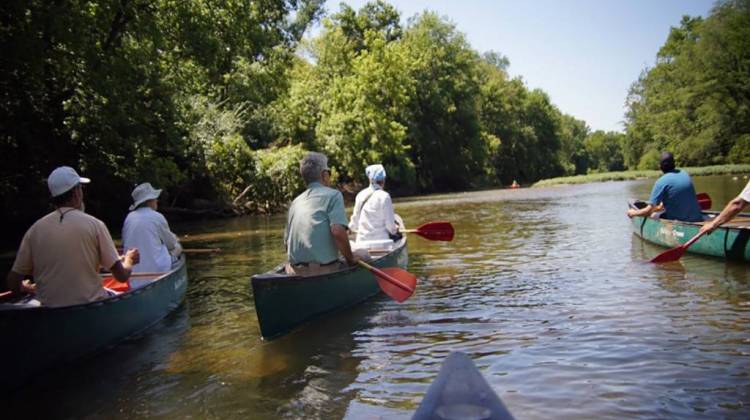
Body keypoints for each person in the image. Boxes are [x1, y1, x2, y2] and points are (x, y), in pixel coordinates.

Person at [5, 166, 139, 307]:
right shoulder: (95, 225)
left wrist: (23, 288)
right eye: (81, 188)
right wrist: (129, 261)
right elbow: (122, 276)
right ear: (76, 193)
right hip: (88, 309)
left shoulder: (34, 230)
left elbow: (13, 282)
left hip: (48, 311)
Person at [284, 152, 359, 276]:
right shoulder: (334, 195)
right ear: (324, 175)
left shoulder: (295, 203)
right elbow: (337, 231)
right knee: (364, 255)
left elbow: (286, 244)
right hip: (321, 271)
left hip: (293, 272)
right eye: (329, 173)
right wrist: (351, 259)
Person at [122, 182, 182, 282]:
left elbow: (125, 243)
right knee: (178, 247)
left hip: (132, 276)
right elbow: (171, 245)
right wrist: (176, 240)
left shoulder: (129, 218)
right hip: (157, 271)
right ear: (149, 201)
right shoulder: (157, 217)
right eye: (155, 198)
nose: (156, 201)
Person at [627, 152, 704, 222]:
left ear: (660, 166)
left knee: (653, 215)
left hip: (679, 221)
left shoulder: (661, 182)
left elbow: (648, 211)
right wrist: (661, 205)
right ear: (674, 163)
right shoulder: (684, 173)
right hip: (698, 218)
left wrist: (633, 213)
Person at [348, 164, 399, 243]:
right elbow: (391, 228)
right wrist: (396, 229)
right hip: (382, 243)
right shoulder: (385, 196)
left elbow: (354, 224)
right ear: (383, 179)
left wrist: (350, 229)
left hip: (362, 243)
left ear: (370, 179)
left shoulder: (360, 195)